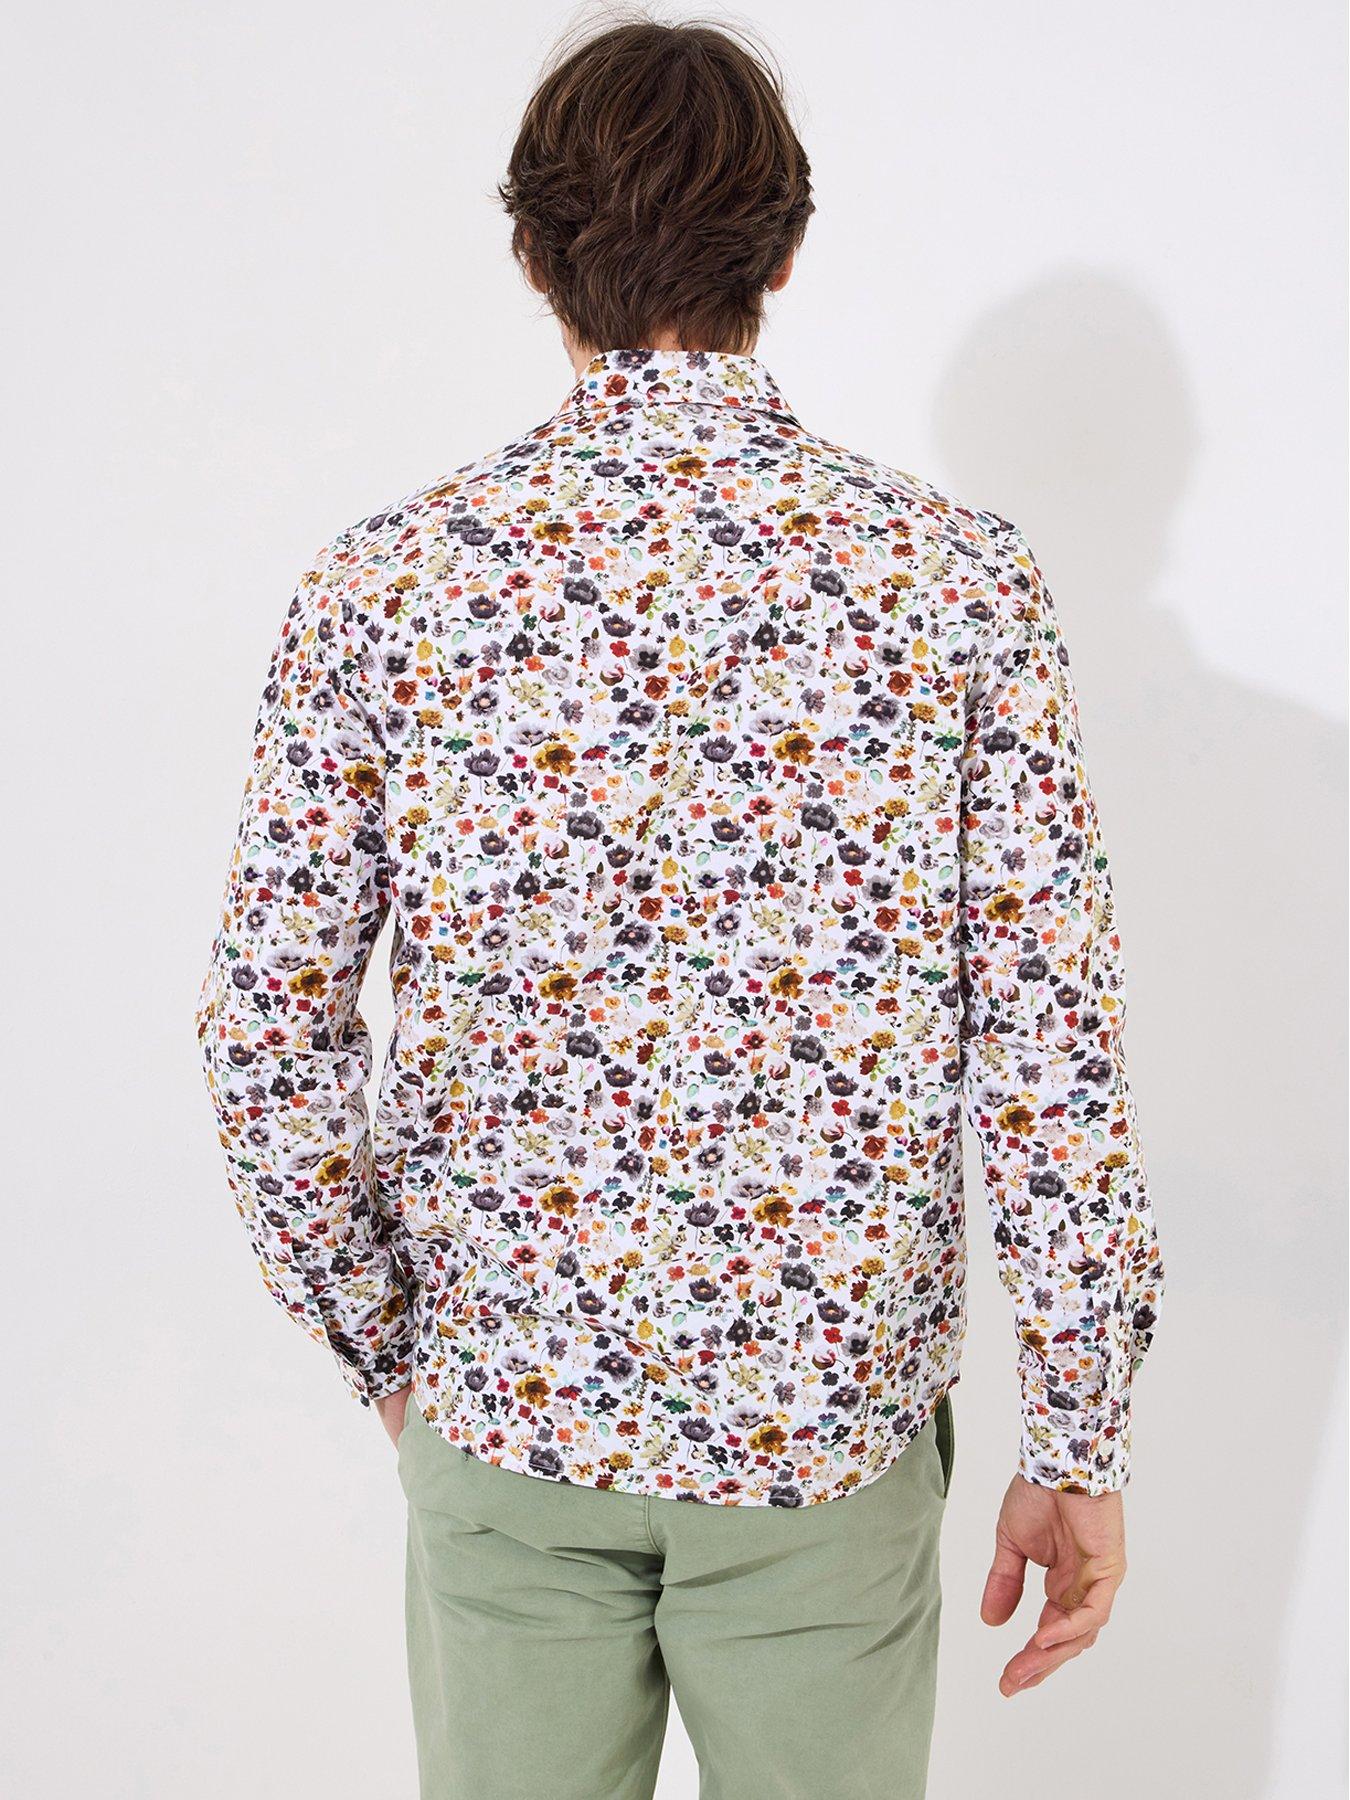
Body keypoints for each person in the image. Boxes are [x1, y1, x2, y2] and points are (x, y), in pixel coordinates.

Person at [195, 19, 1164, 1798]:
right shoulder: (953, 583)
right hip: (825, 1435)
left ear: (530, 254)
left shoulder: (387, 587)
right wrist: (1077, 1433)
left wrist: (396, 1355)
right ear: (780, 254)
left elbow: (266, 1036)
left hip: (507, 1418)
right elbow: (1053, 1057)